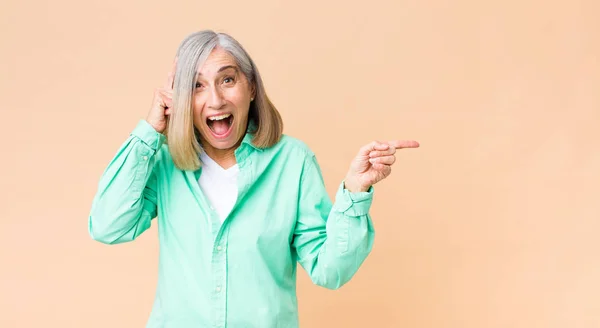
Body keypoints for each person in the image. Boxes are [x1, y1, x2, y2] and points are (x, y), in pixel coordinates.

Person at [88, 30, 419, 328]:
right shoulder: (164, 161)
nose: (215, 99)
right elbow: (108, 225)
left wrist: (355, 191)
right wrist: (150, 132)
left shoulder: (292, 161)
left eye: (227, 80)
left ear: (251, 88)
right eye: (197, 86)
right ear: (182, 99)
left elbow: (329, 270)